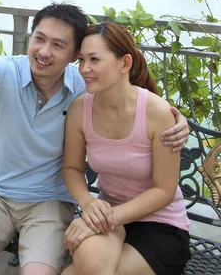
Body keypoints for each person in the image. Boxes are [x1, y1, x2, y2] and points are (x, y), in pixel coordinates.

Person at [0, 3, 190, 275]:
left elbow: (132, 98)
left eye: (58, 45)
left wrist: (178, 120)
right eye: (39, 39)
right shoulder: (9, 72)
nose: (44, 51)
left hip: (52, 204)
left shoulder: (85, 84)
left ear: (71, 55)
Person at [61, 21, 190, 275]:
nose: (85, 69)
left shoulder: (156, 112)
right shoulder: (80, 109)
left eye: (95, 59)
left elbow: (164, 191)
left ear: (125, 63)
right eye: (82, 60)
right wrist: (88, 204)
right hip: (110, 216)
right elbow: (72, 167)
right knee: (88, 261)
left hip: (161, 225)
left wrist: (104, 218)